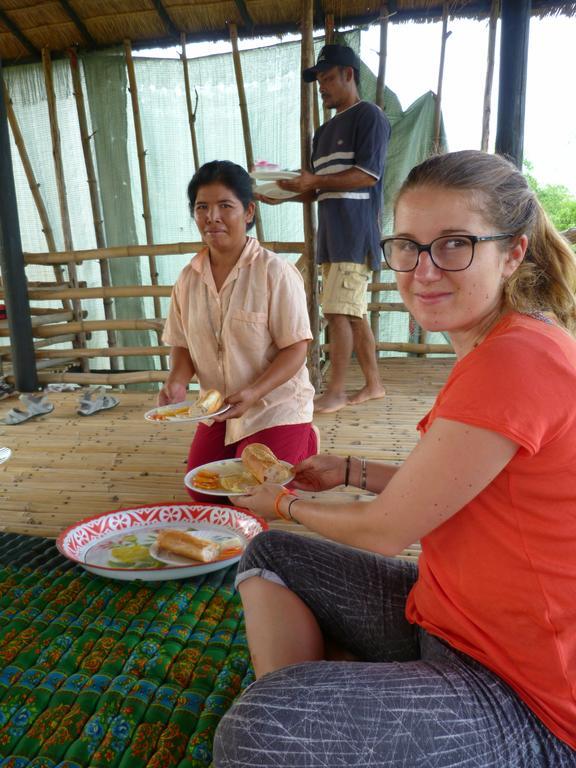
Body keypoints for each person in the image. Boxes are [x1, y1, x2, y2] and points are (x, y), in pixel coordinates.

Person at [212, 150, 576, 767]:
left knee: (259, 730)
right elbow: (462, 486)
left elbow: (385, 531)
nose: (423, 269)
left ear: (512, 252)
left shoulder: (516, 360)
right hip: (448, 614)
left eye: (454, 244)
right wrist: (351, 471)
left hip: (523, 693)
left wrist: (283, 502)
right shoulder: (503, 342)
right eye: (407, 245)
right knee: (269, 554)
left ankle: (319, 724)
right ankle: (334, 727)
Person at [160, 160, 317, 502]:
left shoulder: (276, 272)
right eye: (202, 207)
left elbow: (296, 349)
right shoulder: (188, 279)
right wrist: (176, 381)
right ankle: (281, 449)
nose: (212, 217)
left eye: (224, 206)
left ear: (248, 212)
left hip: (274, 404)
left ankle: (302, 441)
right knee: (202, 491)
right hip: (217, 409)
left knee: (252, 496)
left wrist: (254, 392)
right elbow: (183, 345)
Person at [256, 44, 391, 414]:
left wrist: (311, 180)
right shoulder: (323, 132)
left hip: (354, 232)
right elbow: (320, 188)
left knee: (336, 312)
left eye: (328, 77)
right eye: (318, 80)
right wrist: (282, 194)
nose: (322, 86)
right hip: (332, 235)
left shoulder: (371, 117)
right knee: (351, 312)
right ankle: (374, 385)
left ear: (349, 74)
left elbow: (367, 176)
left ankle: (334, 392)